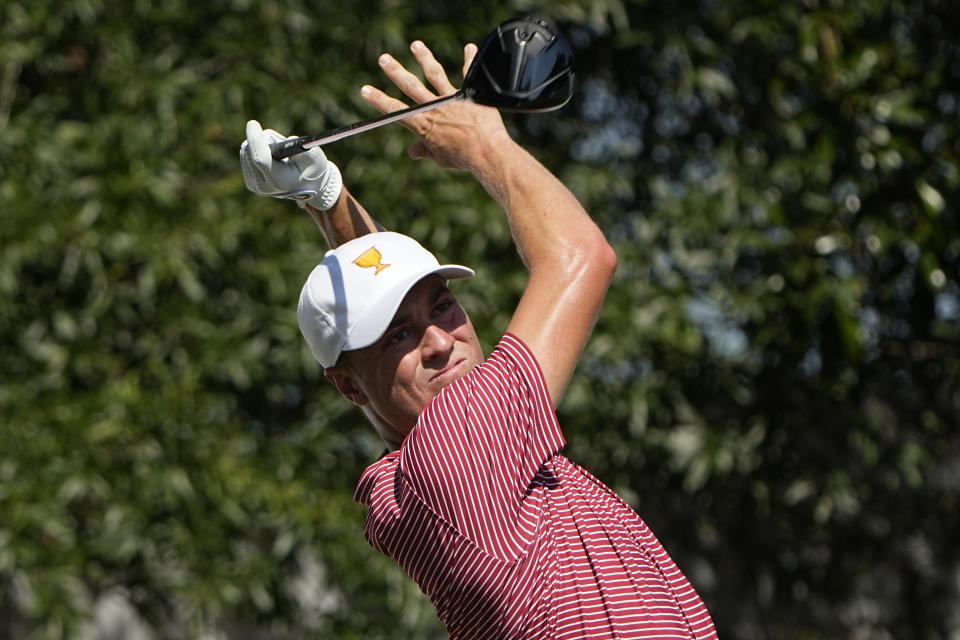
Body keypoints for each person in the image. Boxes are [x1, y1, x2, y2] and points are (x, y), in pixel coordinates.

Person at [240, 39, 717, 640]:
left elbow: (373, 314)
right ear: (347, 388)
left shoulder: (412, 483)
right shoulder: (455, 451)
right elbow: (582, 257)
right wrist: (485, 146)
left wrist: (329, 200)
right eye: (400, 339)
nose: (440, 341)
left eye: (443, 306)